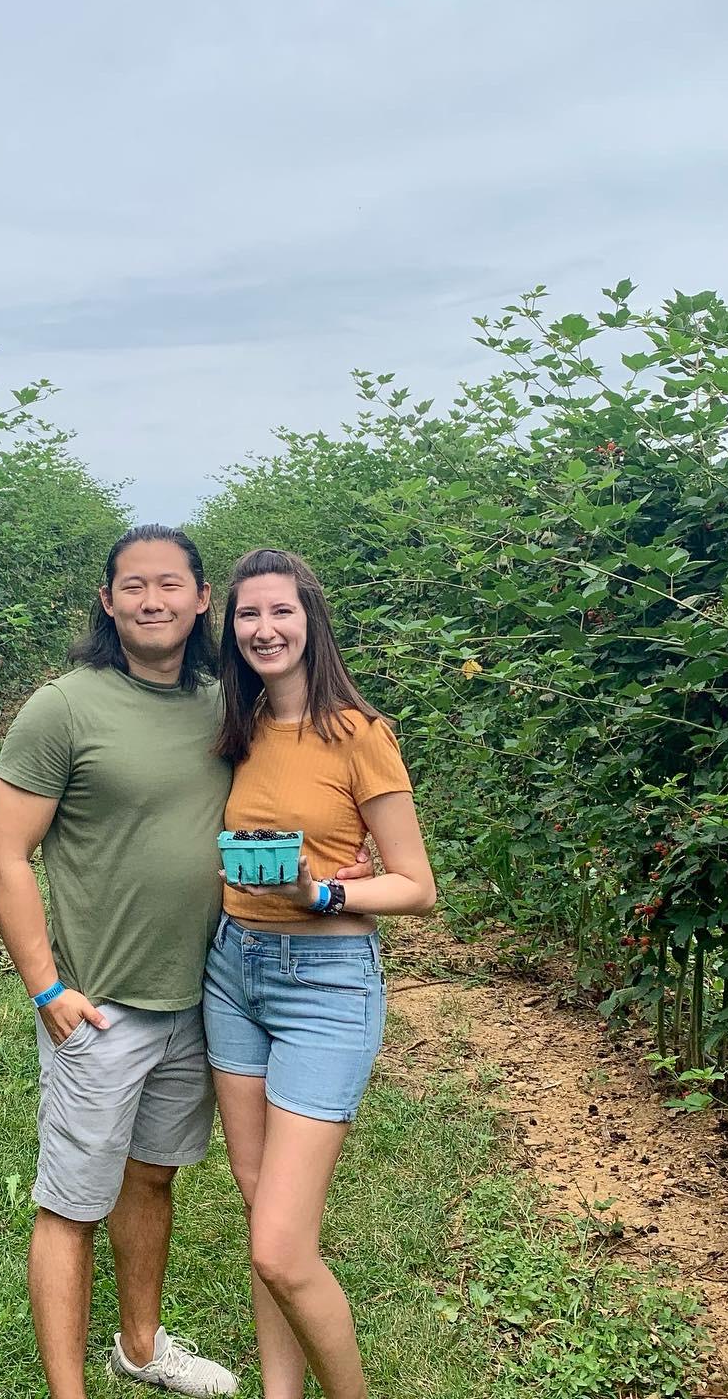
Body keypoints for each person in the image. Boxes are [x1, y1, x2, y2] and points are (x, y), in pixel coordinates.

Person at [0, 525, 372, 1399]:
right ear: (108, 601)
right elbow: (3, 854)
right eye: (133, 586)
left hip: (206, 994)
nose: (152, 601)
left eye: (171, 585)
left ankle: (142, 1346)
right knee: (72, 1203)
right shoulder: (63, 708)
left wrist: (349, 866)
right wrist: (48, 988)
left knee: (152, 1177)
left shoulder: (219, 705)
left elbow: (288, 791)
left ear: (203, 602)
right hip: (103, 1002)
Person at [205, 548, 436, 1399]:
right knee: (261, 1208)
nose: (264, 629)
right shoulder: (239, 728)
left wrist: (322, 889)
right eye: (247, 615)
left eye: (281, 612)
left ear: (312, 621)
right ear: (230, 629)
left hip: (325, 981)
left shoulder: (360, 734)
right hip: (232, 972)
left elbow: (416, 884)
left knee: (279, 1248)